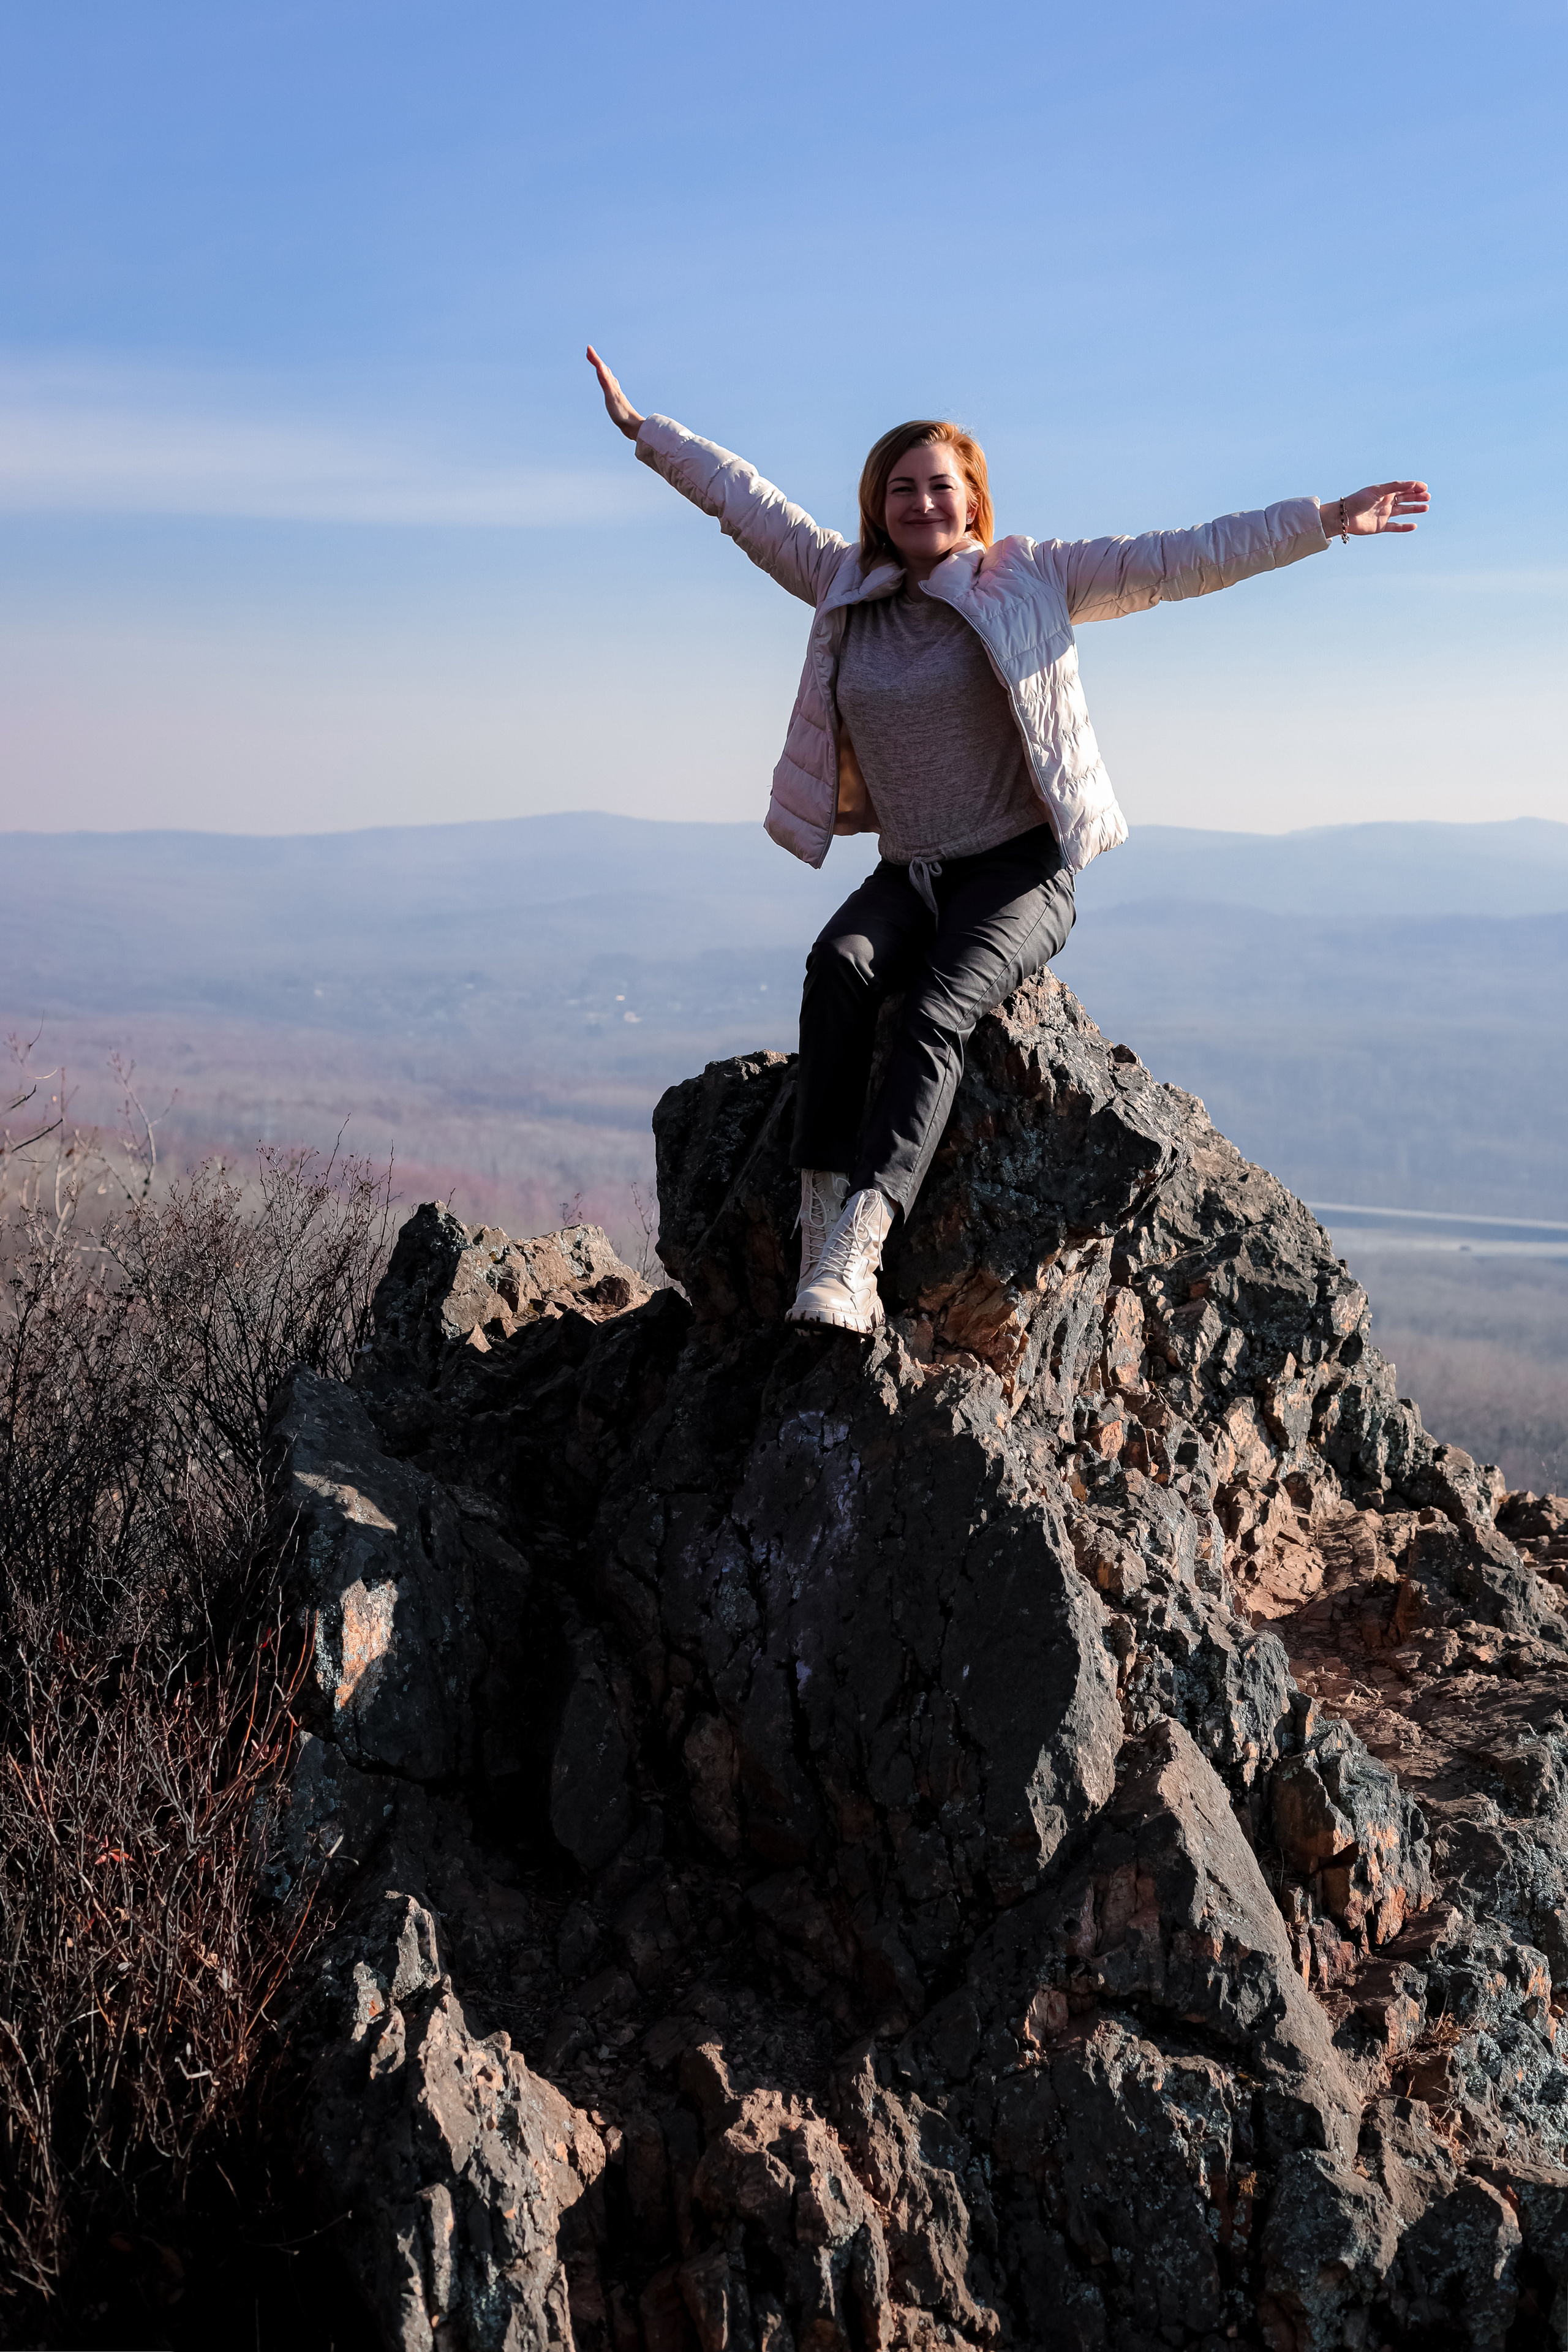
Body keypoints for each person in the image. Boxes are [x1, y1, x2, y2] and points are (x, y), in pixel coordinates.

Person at [587, 345, 1428, 1337]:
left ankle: (862, 1240)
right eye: (901, 489)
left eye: (940, 486)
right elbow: (747, 503)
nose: (921, 503)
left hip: (1021, 868)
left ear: (974, 499)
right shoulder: (842, 583)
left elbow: (1183, 555)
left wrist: (1324, 521)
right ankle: (820, 1207)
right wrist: (650, 435)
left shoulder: (1033, 577)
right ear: (876, 503)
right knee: (840, 966)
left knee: (938, 1007)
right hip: (909, 872)